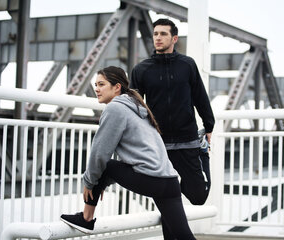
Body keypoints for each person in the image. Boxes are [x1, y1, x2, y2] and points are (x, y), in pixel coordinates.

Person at [60, 66, 195, 240]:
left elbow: (100, 153)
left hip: (152, 179)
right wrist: (101, 182)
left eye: (101, 84)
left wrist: (91, 182)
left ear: (117, 87)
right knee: (181, 237)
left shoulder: (115, 109)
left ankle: (86, 218)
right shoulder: (138, 108)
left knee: (106, 166)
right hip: (170, 182)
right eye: (95, 84)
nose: (96, 89)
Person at [130, 18, 215, 207]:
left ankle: (201, 156)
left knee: (198, 196)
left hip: (188, 140)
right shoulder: (141, 69)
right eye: (155, 34)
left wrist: (209, 125)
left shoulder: (187, 65)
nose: (158, 38)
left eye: (163, 34)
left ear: (174, 38)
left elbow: (200, 96)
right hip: (158, 143)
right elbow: (133, 106)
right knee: (166, 199)